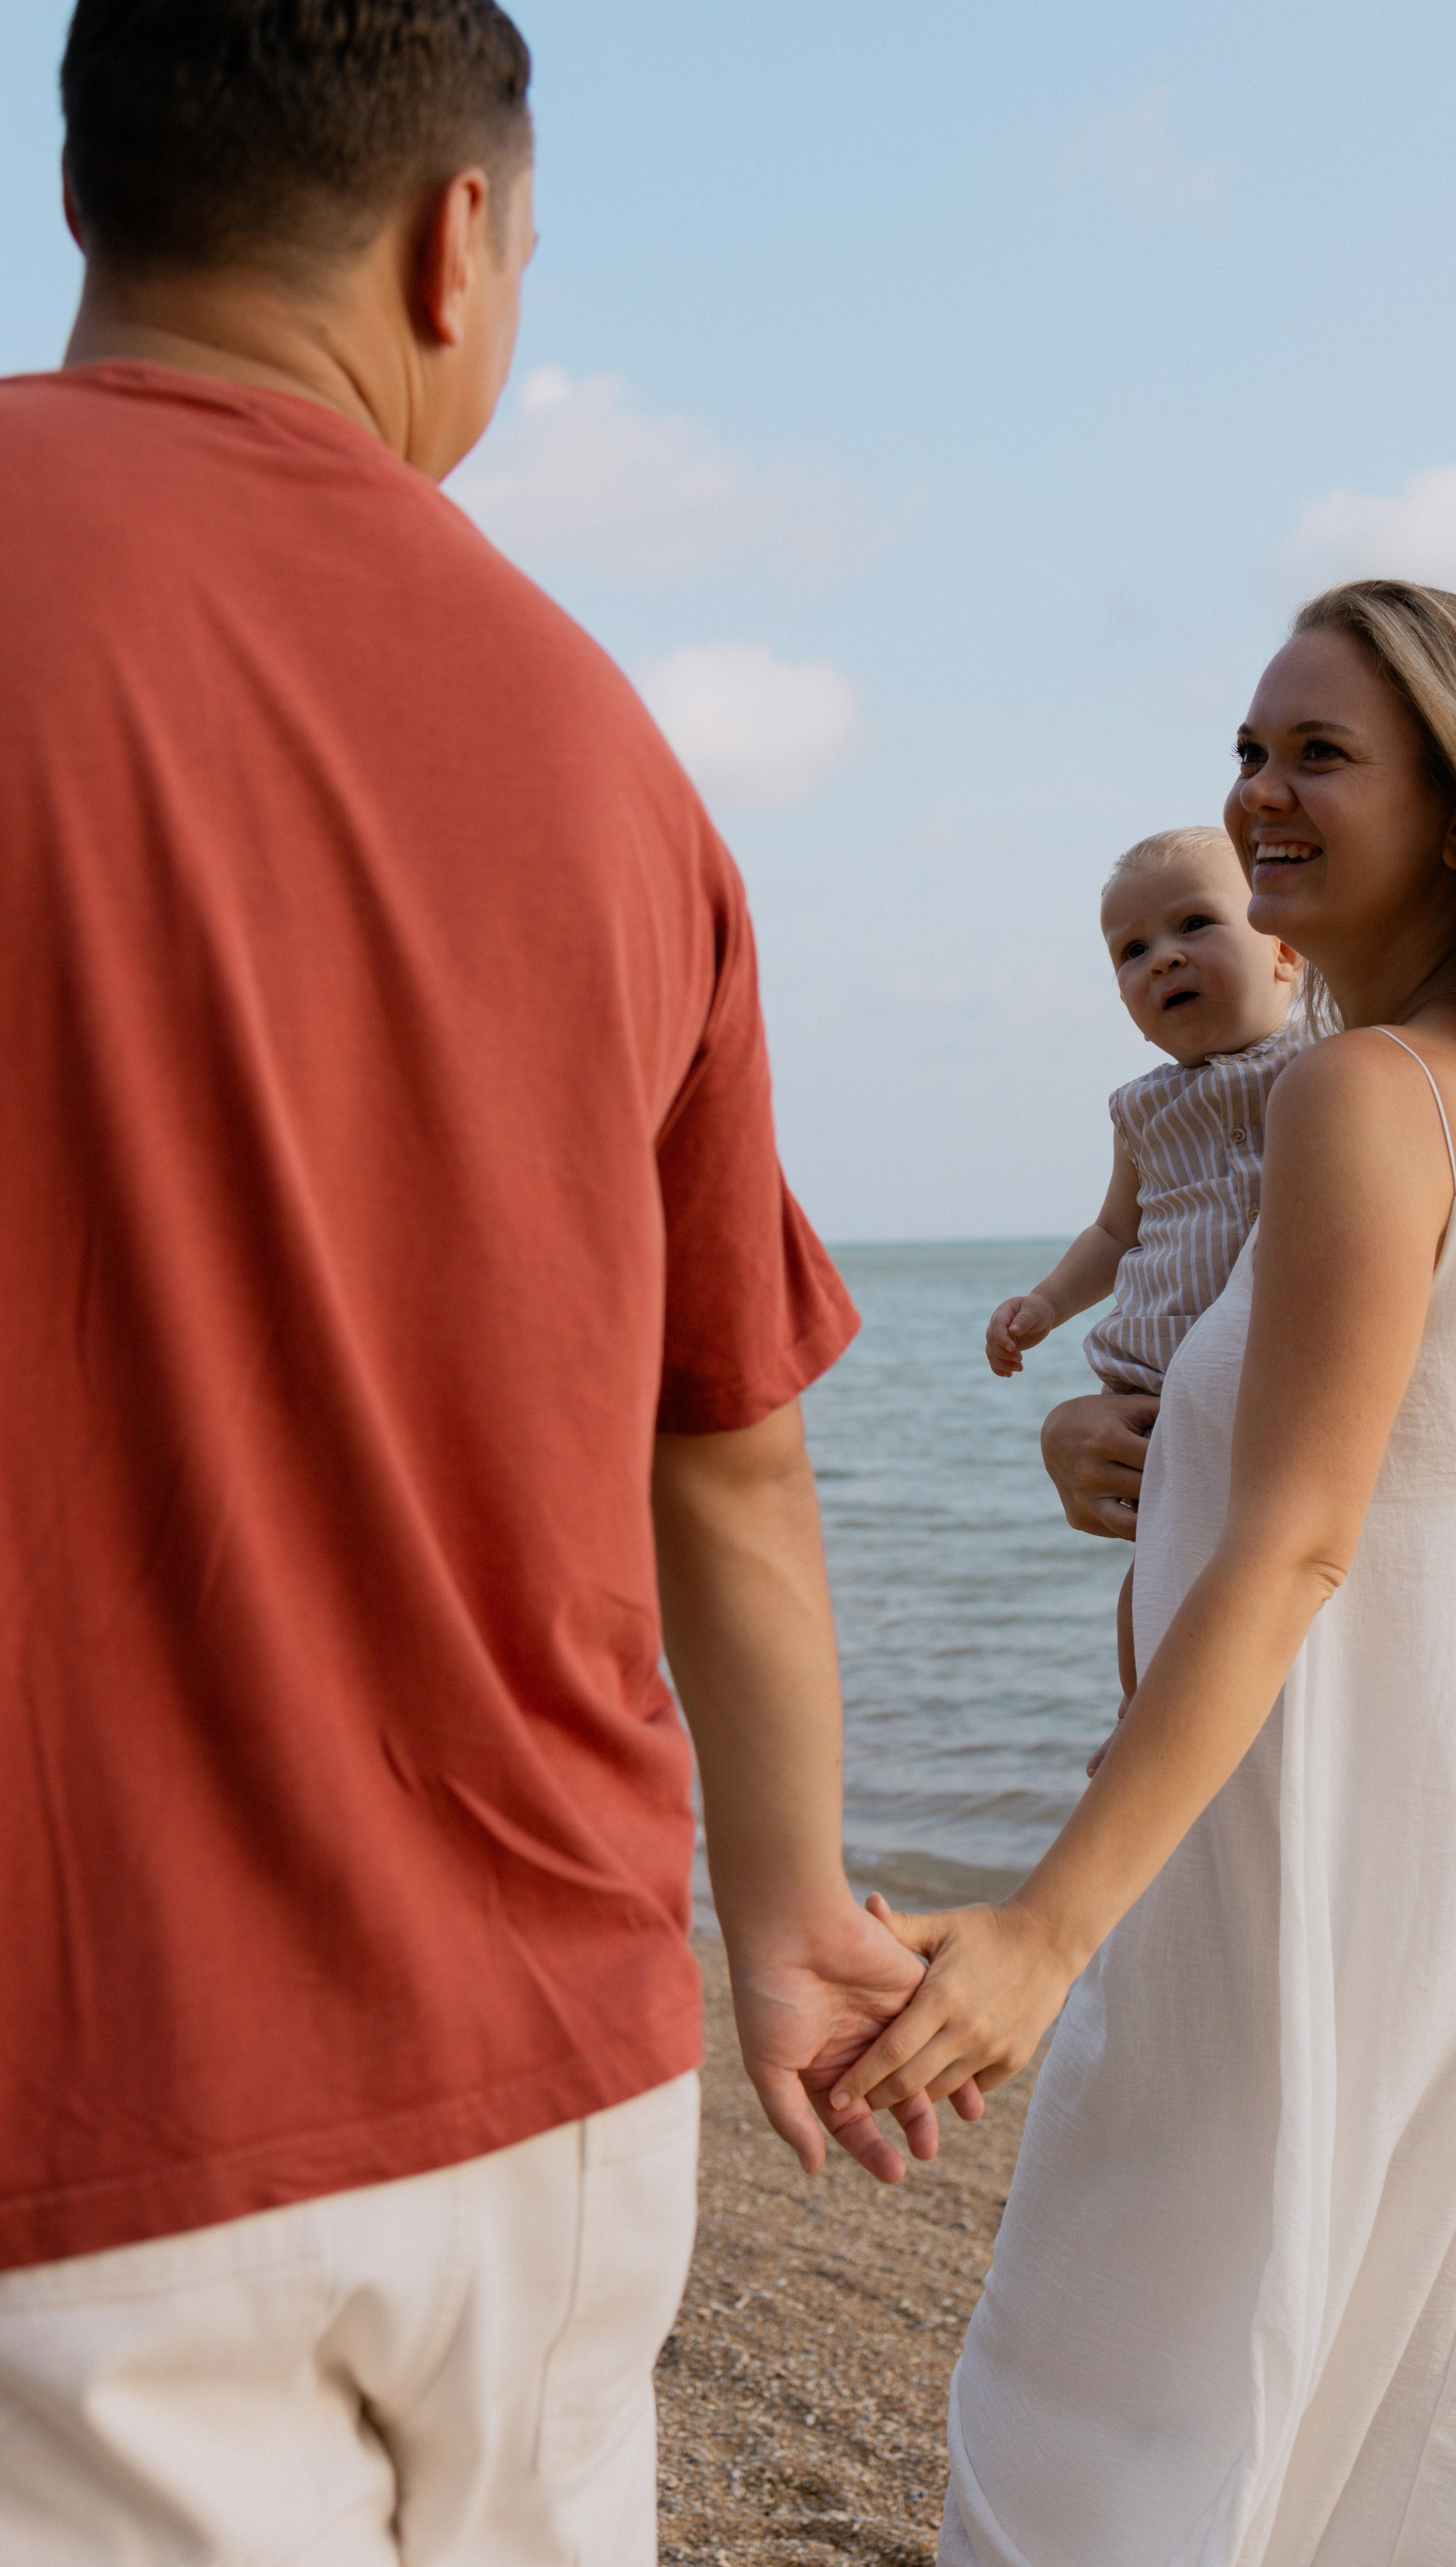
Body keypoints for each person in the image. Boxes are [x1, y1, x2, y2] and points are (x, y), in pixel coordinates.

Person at [0, 7, 965, 2561]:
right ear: (461, 244)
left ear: (83, 193)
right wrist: (790, 1912)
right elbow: (728, 1460)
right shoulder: (613, 752)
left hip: (79, 2105)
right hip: (551, 2079)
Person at [842, 581, 1456, 2562]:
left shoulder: (1360, 1095)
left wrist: (1046, 1927)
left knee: (1104, 2423)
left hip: (1314, 1878)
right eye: (1247, 751)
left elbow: (1297, 1546)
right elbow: (1406, 1480)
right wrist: (1121, 1433)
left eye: (1319, 753)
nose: (1256, 792)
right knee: (1390, 2423)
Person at [983, 825, 1297, 1719]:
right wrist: (1045, 1303)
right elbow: (1115, 1230)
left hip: (1272, 1381)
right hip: (1153, 1392)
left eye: (1195, 924)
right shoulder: (1142, 1111)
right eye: (1131, 950)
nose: (1162, 958)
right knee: (1159, 1573)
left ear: (1285, 950)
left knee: (1259, 1573)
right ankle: (1140, 1717)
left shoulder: (1322, 1062)